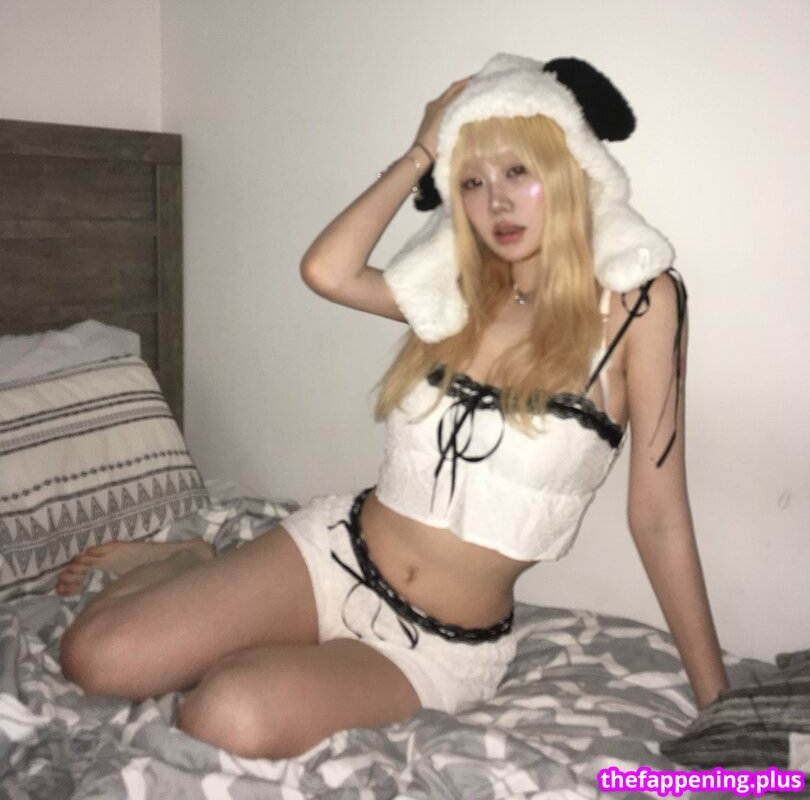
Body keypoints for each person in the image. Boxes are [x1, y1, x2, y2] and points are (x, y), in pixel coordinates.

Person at [59, 53, 728, 760]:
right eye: (472, 181)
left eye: (518, 171)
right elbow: (327, 270)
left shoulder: (640, 305)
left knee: (225, 713)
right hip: (333, 555)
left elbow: (658, 516)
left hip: (435, 645)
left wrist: (717, 705)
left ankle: (224, 600)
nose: (496, 203)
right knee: (94, 658)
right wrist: (421, 150)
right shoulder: (462, 288)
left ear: (570, 166)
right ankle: (187, 559)